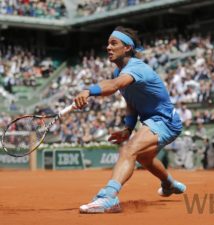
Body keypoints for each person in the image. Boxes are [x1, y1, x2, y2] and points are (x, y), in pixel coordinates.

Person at [74, 26, 186, 214]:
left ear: (127, 48)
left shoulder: (137, 68)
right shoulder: (119, 72)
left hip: (165, 121)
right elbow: (131, 103)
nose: (108, 47)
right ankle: (169, 184)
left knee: (129, 149)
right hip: (151, 120)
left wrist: (88, 91)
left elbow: (114, 86)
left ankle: (108, 197)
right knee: (145, 157)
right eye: (108, 43)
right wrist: (128, 128)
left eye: (114, 43)